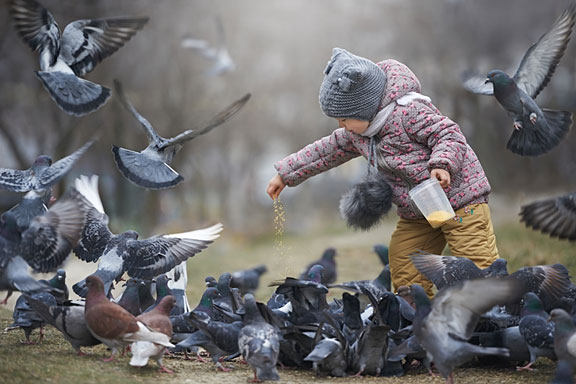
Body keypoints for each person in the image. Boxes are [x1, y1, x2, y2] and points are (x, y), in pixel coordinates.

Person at [266, 48, 499, 297]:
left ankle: (492, 311)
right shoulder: (358, 134)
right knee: (405, 260)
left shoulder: (409, 112)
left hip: (462, 200)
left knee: (474, 261)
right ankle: (414, 315)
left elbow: (448, 133)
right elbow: (324, 151)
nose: (340, 125)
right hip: (418, 211)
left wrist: (442, 163)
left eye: (344, 119)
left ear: (365, 108)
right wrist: (286, 174)